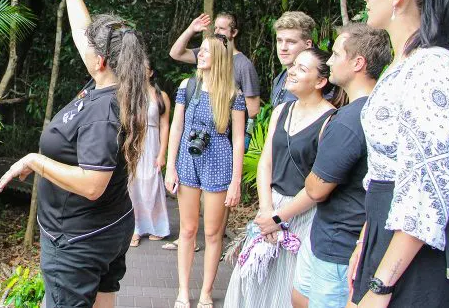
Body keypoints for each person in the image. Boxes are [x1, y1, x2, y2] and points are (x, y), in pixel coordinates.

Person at [0, 0, 149, 308]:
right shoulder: (114, 85)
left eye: (89, 48)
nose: (83, 47)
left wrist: (36, 161)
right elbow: (84, 34)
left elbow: (92, 185)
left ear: (100, 61)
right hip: (109, 226)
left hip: (80, 239)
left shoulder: (103, 113)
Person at [348, 0, 449, 308]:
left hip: (412, 255)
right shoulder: (402, 64)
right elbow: (383, 170)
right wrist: (365, 242)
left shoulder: (430, 70)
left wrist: (382, 285)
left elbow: (426, 184)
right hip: (385, 231)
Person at [225, 47, 339, 308]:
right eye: (293, 65)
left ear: (321, 81)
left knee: (287, 287)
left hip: (302, 213)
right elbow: (266, 162)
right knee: (252, 279)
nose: (293, 71)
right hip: (271, 205)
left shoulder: (330, 121)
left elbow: (318, 182)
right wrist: (266, 210)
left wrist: (280, 218)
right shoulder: (282, 110)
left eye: (302, 68)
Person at [291, 24, 391, 308]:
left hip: (339, 244)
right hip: (332, 233)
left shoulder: (349, 121)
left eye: (336, 54)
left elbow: (316, 187)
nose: (330, 60)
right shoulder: (379, 106)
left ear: (358, 63)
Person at [164, 34, 246, 308]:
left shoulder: (233, 94)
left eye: (206, 52)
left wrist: (236, 181)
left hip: (218, 161)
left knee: (212, 233)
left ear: (219, 58)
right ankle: (183, 291)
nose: (200, 55)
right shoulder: (187, 86)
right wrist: (170, 167)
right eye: (200, 51)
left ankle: (206, 293)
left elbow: (237, 139)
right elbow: (177, 127)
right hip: (188, 158)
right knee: (187, 230)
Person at [170, 12, 261, 120]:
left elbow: (253, 110)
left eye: (222, 28)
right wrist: (191, 30)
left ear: (234, 32)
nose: (217, 32)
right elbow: (175, 54)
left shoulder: (244, 65)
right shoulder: (206, 53)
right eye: (215, 28)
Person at [129, 63, 171, 247]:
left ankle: (158, 227)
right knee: (133, 185)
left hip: (153, 142)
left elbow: (165, 126)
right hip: (135, 142)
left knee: (152, 185)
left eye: (145, 67)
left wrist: (162, 153)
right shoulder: (131, 95)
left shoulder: (161, 96)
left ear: (151, 72)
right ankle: (134, 229)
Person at [270, 12, 315, 106]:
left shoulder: (315, 82)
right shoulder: (279, 79)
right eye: (279, 41)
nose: (283, 48)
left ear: (308, 45)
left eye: (291, 42)